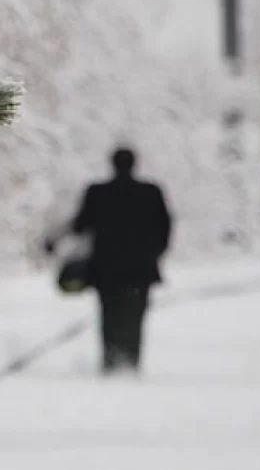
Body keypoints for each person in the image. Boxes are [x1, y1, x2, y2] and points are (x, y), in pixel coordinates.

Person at [46, 147, 172, 375]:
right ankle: (131, 361)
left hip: (107, 270)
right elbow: (164, 228)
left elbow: (80, 224)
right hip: (140, 270)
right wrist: (154, 253)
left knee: (109, 315)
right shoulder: (151, 192)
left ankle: (111, 361)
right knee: (135, 315)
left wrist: (54, 240)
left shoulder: (97, 193)